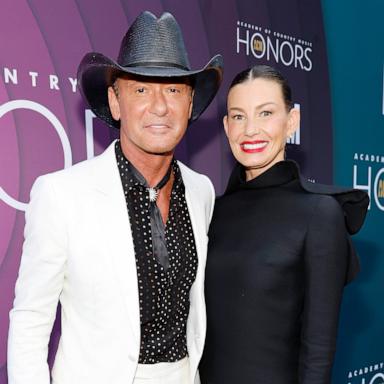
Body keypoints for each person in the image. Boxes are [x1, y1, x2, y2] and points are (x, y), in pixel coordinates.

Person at [7, 11, 223, 384]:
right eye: (141, 89)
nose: (159, 106)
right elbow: (30, 320)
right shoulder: (61, 194)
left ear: (190, 105)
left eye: (173, 90)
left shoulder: (202, 190)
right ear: (115, 100)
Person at [199, 65, 369, 384]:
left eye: (265, 113)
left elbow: (317, 352)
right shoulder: (212, 210)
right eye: (238, 116)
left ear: (291, 122)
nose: (250, 130)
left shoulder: (319, 213)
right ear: (226, 126)